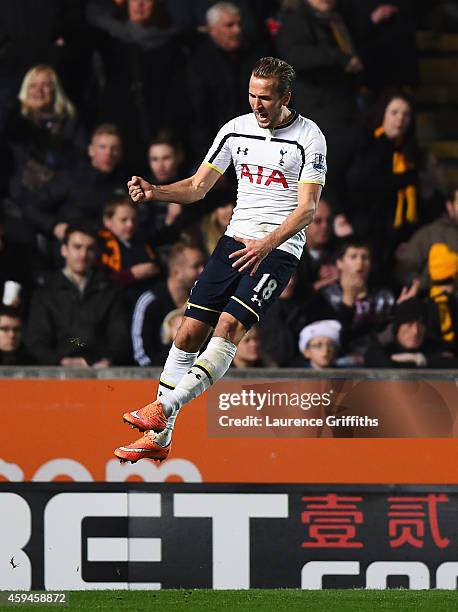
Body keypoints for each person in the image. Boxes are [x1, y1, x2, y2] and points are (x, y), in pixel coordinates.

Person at [114, 56, 326, 463]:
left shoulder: (309, 137)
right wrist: (155, 190)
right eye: (251, 95)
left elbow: (307, 210)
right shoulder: (235, 130)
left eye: (265, 97)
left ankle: (165, 409)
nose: (257, 105)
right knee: (187, 333)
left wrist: (267, 243)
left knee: (227, 327)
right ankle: (159, 438)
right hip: (234, 242)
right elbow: (197, 186)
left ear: (286, 97)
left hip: (277, 249)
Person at [26, 224, 131, 367]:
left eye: (90, 248)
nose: (83, 254)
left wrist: (107, 360)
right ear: (64, 250)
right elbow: (37, 340)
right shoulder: (45, 293)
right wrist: (61, 361)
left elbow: (120, 336)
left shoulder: (111, 291)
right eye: (77, 247)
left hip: (103, 373)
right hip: (55, 376)